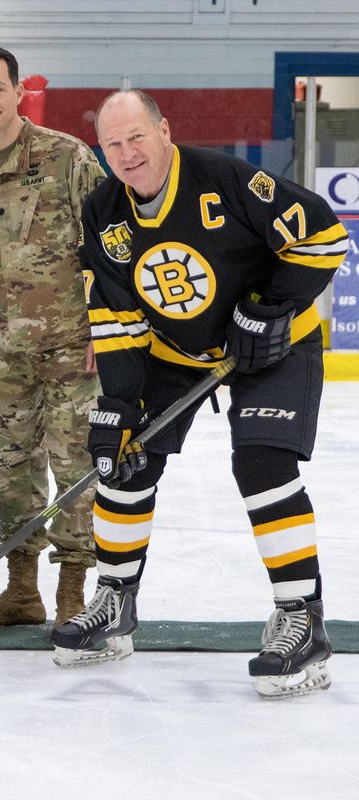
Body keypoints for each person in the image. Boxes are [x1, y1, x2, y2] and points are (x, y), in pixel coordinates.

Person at [53, 90, 347, 699]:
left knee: (263, 464)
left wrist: (269, 307)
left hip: (275, 344)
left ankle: (303, 618)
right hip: (176, 353)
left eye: (137, 137)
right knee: (125, 455)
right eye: (112, 144)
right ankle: (116, 602)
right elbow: (116, 318)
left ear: (164, 131)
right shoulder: (103, 210)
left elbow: (323, 235)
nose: (127, 154)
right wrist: (121, 404)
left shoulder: (224, 179)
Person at [0, 47, 104, 629]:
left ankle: (72, 594)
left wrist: (106, 325)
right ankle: (22, 590)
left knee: (74, 468)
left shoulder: (67, 156)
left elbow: (110, 241)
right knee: (13, 470)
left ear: (19, 92)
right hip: (10, 353)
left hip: (74, 347)